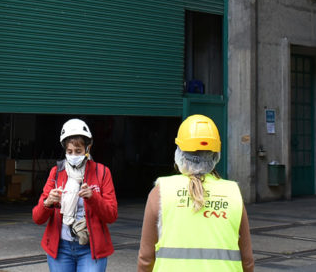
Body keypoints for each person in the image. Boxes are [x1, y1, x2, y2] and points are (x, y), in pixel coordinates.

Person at [136, 114, 255, 272]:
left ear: (179, 153)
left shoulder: (161, 192)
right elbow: (247, 260)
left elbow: (146, 258)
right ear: (216, 156)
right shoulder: (232, 193)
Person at [32, 118, 118, 272]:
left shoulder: (102, 172)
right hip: (61, 249)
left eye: (78, 151)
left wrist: (93, 198)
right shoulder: (56, 173)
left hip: (90, 249)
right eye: (69, 151)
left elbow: (111, 215)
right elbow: (37, 218)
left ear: (87, 148)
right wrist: (48, 203)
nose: (73, 155)